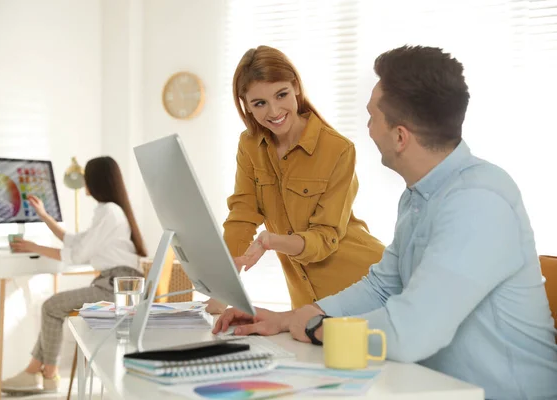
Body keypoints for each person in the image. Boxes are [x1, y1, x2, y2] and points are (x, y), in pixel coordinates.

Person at [213, 45, 557, 399]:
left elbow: (411, 331)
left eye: (372, 118)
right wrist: (287, 319)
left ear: (400, 136)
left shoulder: (479, 200)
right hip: (434, 385)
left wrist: (316, 327)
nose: (368, 129)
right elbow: (381, 286)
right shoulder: (418, 198)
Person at [207, 45, 385, 313]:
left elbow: (325, 238)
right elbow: (242, 216)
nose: (274, 111)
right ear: (246, 105)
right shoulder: (250, 145)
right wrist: (221, 289)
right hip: (306, 303)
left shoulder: (338, 149)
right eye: (259, 103)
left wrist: (274, 241)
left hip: (363, 287)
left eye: (281, 95)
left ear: (296, 87)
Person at [1, 156, 147, 394]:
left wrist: (33, 247)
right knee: (54, 308)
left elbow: (77, 254)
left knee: (51, 306)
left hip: (116, 288)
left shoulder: (109, 212)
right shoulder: (109, 211)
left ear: (94, 181)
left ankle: (47, 374)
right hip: (116, 284)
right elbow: (74, 241)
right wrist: (44, 215)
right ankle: (34, 371)